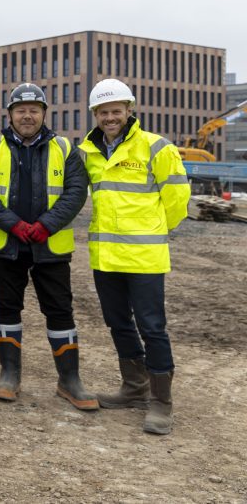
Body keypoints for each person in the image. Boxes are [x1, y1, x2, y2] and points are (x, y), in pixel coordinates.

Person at [0, 83, 97, 410]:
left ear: (43, 114)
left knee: (59, 310)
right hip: (6, 245)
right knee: (7, 308)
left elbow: (75, 192)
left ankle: (69, 380)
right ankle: (9, 375)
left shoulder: (65, 149)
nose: (28, 116)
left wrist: (46, 225)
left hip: (49, 247)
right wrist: (13, 223)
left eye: (34, 110)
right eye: (21, 110)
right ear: (10, 114)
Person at [78, 78, 190, 435]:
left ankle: (161, 401)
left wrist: (154, 230)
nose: (110, 117)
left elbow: (176, 202)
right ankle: (134, 387)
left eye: (116, 111)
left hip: (144, 256)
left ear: (129, 110)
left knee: (152, 327)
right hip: (106, 256)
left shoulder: (157, 147)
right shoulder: (89, 152)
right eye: (104, 112)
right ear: (95, 115)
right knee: (118, 323)